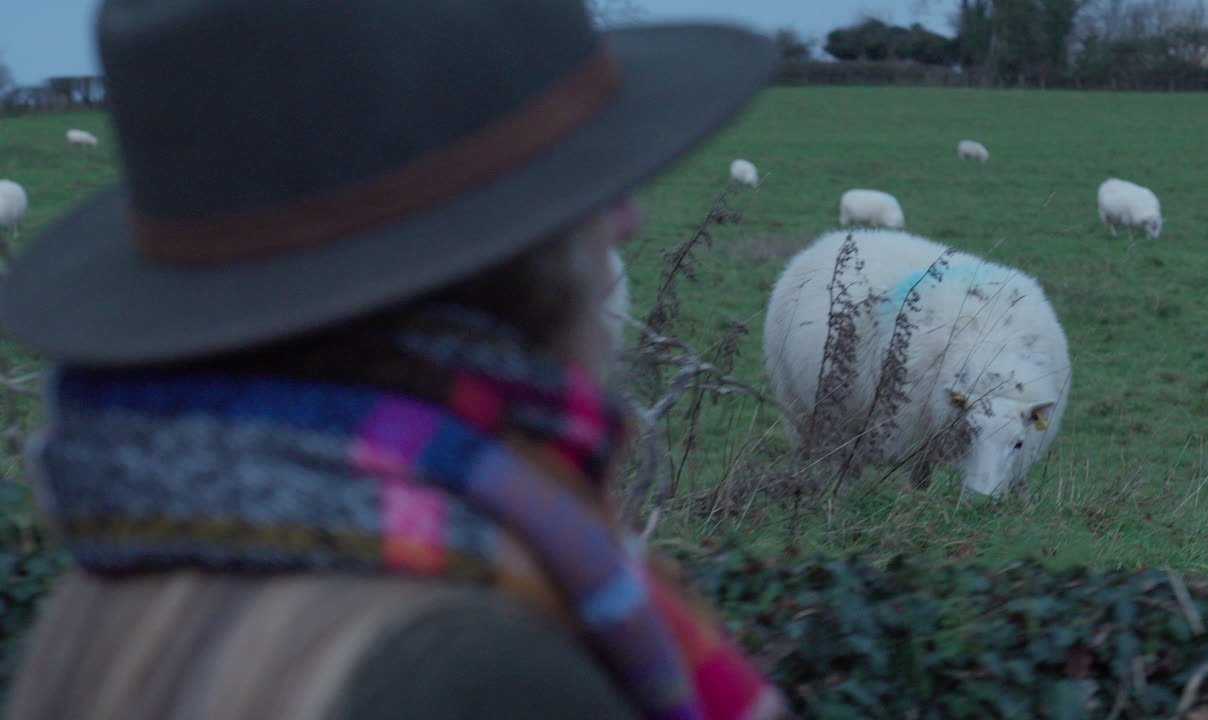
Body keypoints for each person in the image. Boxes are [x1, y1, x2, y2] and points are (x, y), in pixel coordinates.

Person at [0, 1, 786, 719]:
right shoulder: (483, 677)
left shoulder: (119, 589)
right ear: (505, 260)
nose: (628, 215)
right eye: (576, 182)